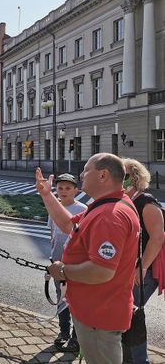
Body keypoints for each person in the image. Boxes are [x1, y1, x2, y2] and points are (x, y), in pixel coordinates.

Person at [37, 153, 139, 364]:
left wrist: (62, 271)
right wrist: (47, 195)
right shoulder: (107, 205)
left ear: (103, 175)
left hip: (99, 316)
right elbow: (68, 225)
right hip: (96, 313)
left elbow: (101, 271)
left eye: (86, 170)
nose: (81, 174)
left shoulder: (110, 215)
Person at [122, 159, 165, 364]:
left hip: (144, 270)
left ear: (134, 178)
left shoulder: (146, 202)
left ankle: (140, 360)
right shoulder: (124, 201)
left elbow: (157, 238)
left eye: (123, 175)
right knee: (125, 314)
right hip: (129, 268)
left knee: (131, 313)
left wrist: (142, 269)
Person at [47, 173, 87, 353]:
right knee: (61, 298)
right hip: (57, 261)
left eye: (68, 188)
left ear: (76, 190)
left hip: (76, 264)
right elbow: (52, 234)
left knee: (77, 300)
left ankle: (76, 337)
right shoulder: (54, 207)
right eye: (60, 188)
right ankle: (63, 332)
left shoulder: (82, 209)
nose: (63, 191)